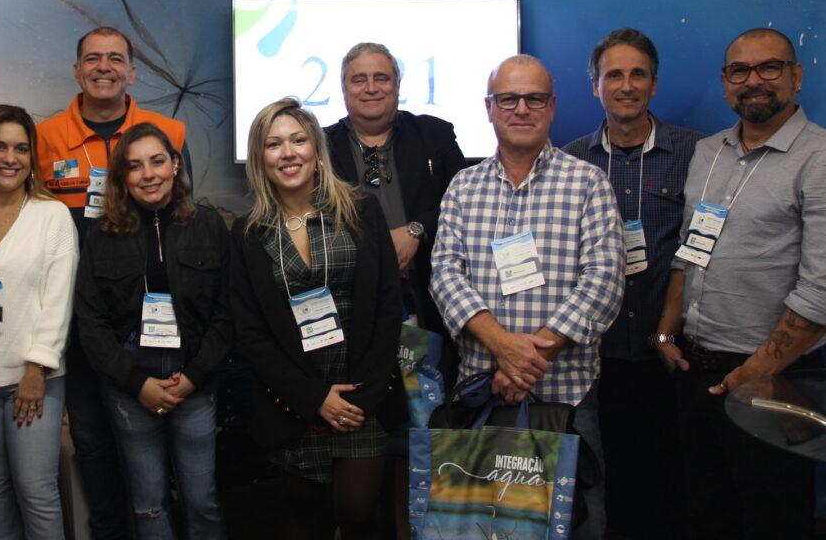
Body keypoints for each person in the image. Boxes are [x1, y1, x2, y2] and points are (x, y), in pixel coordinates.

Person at [430, 55, 624, 540]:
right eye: (508, 99)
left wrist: (525, 360)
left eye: (534, 99)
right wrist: (504, 348)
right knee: (478, 528)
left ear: (552, 107)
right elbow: (445, 275)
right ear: (489, 108)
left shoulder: (588, 184)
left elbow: (604, 282)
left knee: (579, 526)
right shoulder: (463, 187)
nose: (521, 109)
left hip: (566, 398)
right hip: (481, 394)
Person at [655, 27, 826, 540]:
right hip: (695, 367)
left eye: (769, 67)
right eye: (739, 70)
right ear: (725, 81)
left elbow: (820, 292)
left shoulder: (819, 158)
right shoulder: (709, 152)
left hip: (775, 377)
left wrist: (751, 375)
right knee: (709, 513)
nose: (753, 81)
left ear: (796, 76)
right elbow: (690, 250)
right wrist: (665, 332)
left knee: (775, 519)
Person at [36, 26, 188, 539]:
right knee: (94, 443)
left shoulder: (169, 131)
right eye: (93, 58)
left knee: (159, 455)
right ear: (77, 70)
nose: (104, 67)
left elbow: (184, 216)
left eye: (115, 59)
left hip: (151, 325)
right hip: (81, 324)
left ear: (132, 72)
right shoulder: (45, 137)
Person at [231, 97, 405, 540]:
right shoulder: (249, 232)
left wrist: (363, 397)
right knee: (305, 516)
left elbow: (388, 305)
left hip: (361, 396)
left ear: (316, 149)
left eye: (298, 140)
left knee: (358, 511)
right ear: (260, 158)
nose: (288, 153)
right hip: (295, 401)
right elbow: (251, 333)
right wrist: (313, 399)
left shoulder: (361, 210)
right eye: (273, 144)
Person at [323, 41, 466, 538]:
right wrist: (378, 249)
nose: (371, 88)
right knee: (368, 438)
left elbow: (461, 200)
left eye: (381, 77)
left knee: (429, 429)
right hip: (355, 316)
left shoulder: (433, 134)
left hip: (429, 305)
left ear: (398, 85)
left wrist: (416, 231)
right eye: (358, 79)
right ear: (344, 89)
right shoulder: (321, 145)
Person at [562, 28, 701, 539]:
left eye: (637, 74)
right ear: (595, 85)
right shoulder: (572, 161)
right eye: (613, 75)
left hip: (670, 349)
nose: (626, 85)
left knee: (673, 480)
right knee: (608, 480)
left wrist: (667, 330)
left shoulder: (695, 153)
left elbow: (701, 249)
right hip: (597, 354)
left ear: (654, 84)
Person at [75, 122, 231, 539]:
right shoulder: (101, 234)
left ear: (175, 164)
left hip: (193, 376)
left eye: (158, 161)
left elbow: (226, 314)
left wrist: (194, 377)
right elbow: (91, 323)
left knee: (202, 500)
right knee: (147, 505)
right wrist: (136, 384)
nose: (148, 174)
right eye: (135, 165)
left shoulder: (208, 224)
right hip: (130, 382)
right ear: (122, 177)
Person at [0, 105, 78, 539]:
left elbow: (59, 300)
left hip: (32, 379)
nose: (10, 158)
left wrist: (35, 369)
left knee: (36, 491)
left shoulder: (51, 215)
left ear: (32, 158)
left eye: (21, 149)